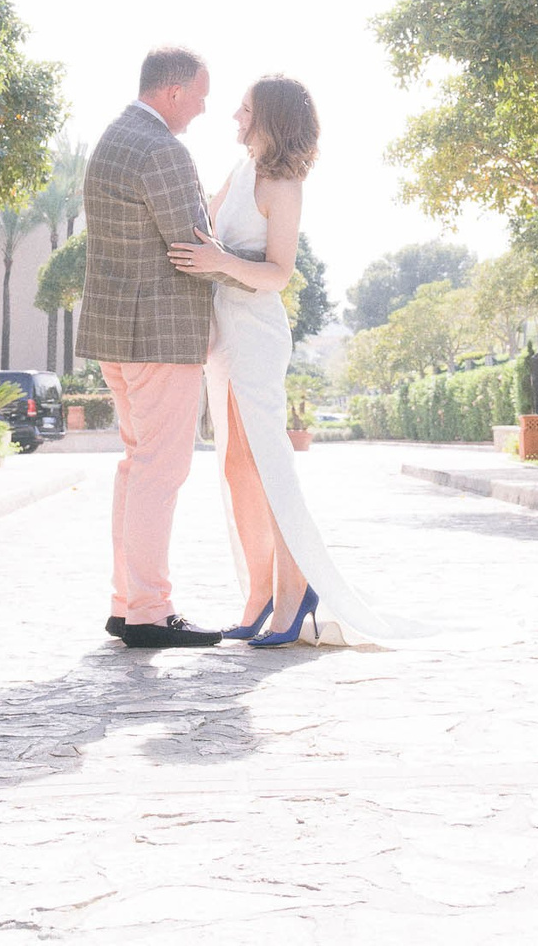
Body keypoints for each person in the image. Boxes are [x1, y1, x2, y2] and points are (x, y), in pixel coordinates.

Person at [171, 74, 431, 648]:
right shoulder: (242, 171)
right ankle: (258, 592)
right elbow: (204, 228)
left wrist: (219, 260)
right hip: (222, 329)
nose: (234, 119)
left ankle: (294, 589)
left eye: (243, 111)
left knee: (267, 463)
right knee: (237, 464)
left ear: (270, 119)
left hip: (256, 331)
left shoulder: (282, 185)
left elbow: (279, 274)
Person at [80, 46, 224, 649]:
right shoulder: (163, 148)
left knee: (139, 468)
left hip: (120, 335)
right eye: (200, 96)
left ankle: (128, 601)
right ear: (172, 92)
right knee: (160, 473)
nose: (202, 109)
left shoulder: (114, 137)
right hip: (161, 337)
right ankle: (147, 609)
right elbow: (193, 244)